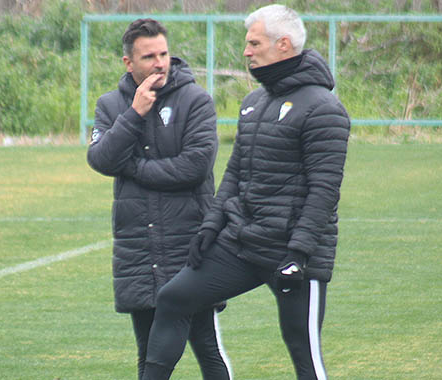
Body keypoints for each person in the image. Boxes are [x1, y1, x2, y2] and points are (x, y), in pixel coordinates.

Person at [140, 5, 350, 380]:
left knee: (304, 353)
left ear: (283, 44)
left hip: (293, 254)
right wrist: (210, 228)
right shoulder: (253, 103)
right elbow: (235, 173)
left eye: (254, 43)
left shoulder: (323, 107)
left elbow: (324, 191)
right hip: (242, 243)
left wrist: (299, 255)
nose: (247, 51)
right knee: (172, 298)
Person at [86, 18, 232, 380]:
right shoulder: (110, 106)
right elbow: (101, 159)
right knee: (149, 356)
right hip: (138, 248)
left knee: (207, 350)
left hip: (190, 246)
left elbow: (195, 167)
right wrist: (134, 113)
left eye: (164, 53)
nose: (159, 62)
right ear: (129, 63)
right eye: (149, 56)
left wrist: (134, 169)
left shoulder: (196, 100)